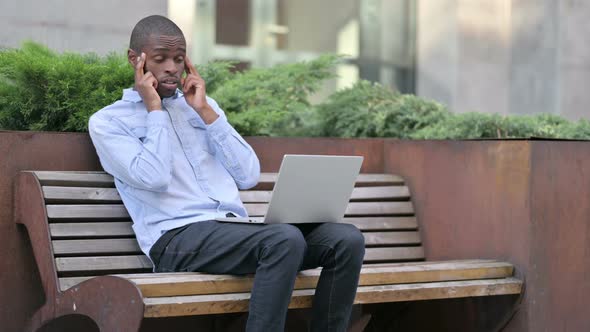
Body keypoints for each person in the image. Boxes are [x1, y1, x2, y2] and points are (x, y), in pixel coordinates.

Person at [88, 15, 364, 332]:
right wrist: (154, 111)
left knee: (345, 239)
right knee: (282, 240)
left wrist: (207, 113)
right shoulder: (109, 122)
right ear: (135, 59)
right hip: (175, 238)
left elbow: (248, 175)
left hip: (231, 231)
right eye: (161, 58)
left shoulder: (202, 107)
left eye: (179, 59)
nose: (171, 68)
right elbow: (155, 177)